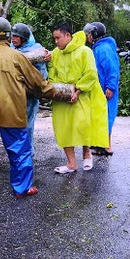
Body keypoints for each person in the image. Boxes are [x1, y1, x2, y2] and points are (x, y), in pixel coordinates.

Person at [0, 17, 56, 197]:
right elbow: (37, 81)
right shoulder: (17, 56)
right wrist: (51, 92)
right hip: (12, 112)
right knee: (19, 152)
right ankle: (22, 188)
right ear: (8, 35)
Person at [45, 23, 109, 173]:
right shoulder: (55, 53)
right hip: (62, 97)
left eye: (58, 38)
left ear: (68, 35)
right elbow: (52, 75)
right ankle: (71, 163)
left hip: (84, 94)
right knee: (64, 128)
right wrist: (59, 90)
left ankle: (86, 153)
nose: (56, 41)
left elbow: (91, 73)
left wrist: (78, 89)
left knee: (83, 125)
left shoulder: (84, 51)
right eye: (54, 38)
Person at [10, 23, 47, 156]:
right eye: (12, 36)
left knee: (27, 123)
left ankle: (27, 150)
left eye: (16, 37)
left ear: (24, 38)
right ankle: (17, 149)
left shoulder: (36, 50)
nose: (13, 39)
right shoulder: (10, 49)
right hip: (14, 93)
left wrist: (42, 90)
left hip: (30, 94)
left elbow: (42, 72)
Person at [84, 22, 120, 156]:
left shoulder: (103, 48)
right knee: (101, 116)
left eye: (89, 34)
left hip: (106, 89)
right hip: (101, 88)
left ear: (94, 34)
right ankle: (101, 144)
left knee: (107, 116)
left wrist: (110, 87)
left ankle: (107, 146)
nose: (87, 37)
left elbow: (112, 69)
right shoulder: (99, 47)